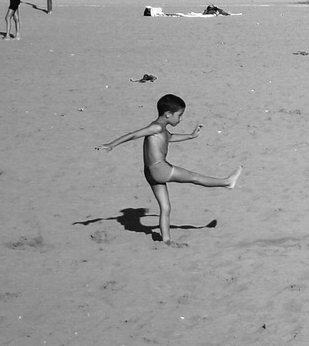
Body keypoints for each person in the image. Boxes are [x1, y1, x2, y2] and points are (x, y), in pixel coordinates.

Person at [96, 94, 243, 246]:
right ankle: (226, 182)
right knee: (194, 177)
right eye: (179, 115)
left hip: (150, 173)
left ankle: (166, 240)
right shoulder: (156, 127)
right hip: (160, 169)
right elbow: (133, 135)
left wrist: (191, 136)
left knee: (165, 208)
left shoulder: (162, 129)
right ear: (168, 115)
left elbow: (170, 137)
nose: (180, 119)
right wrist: (111, 144)